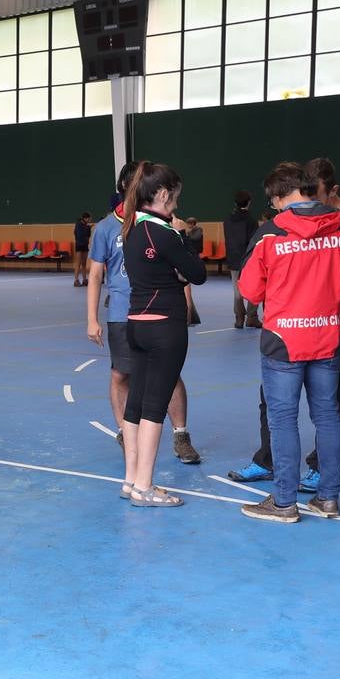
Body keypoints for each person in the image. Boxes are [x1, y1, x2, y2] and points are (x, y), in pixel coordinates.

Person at [229, 157, 340, 487]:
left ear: (279, 197)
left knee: (282, 418)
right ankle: (328, 495)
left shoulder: (269, 235)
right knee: (327, 415)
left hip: (284, 339)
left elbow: (250, 290)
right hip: (328, 333)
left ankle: (284, 500)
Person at [88, 164, 200, 464]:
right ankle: (127, 436)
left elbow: (180, 270)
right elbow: (96, 275)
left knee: (168, 377)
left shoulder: (160, 225)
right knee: (122, 376)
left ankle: (180, 434)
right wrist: (92, 318)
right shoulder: (107, 228)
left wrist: (187, 302)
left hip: (160, 313)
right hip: (125, 316)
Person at [119, 161, 207, 507]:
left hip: (136, 324)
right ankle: (144, 486)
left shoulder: (130, 228)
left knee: (136, 402)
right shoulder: (167, 234)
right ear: (165, 194)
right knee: (155, 407)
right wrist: (184, 236)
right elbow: (197, 274)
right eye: (176, 197)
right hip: (164, 327)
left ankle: (130, 480)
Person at [224, 191, 260, 328]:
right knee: (254, 287)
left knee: (237, 290)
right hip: (249, 258)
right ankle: (252, 317)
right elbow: (254, 241)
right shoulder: (251, 219)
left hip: (233, 257)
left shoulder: (228, 219)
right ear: (249, 202)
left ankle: (239, 317)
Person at [73, 212, 93, 287]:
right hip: (79, 245)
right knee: (78, 263)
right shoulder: (78, 224)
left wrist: (89, 228)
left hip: (85, 245)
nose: (90, 220)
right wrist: (88, 227)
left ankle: (84, 280)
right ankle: (76, 280)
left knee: (84, 263)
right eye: (89, 219)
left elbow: (88, 235)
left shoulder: (86, 225)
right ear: (85, 218)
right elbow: (80, 234)